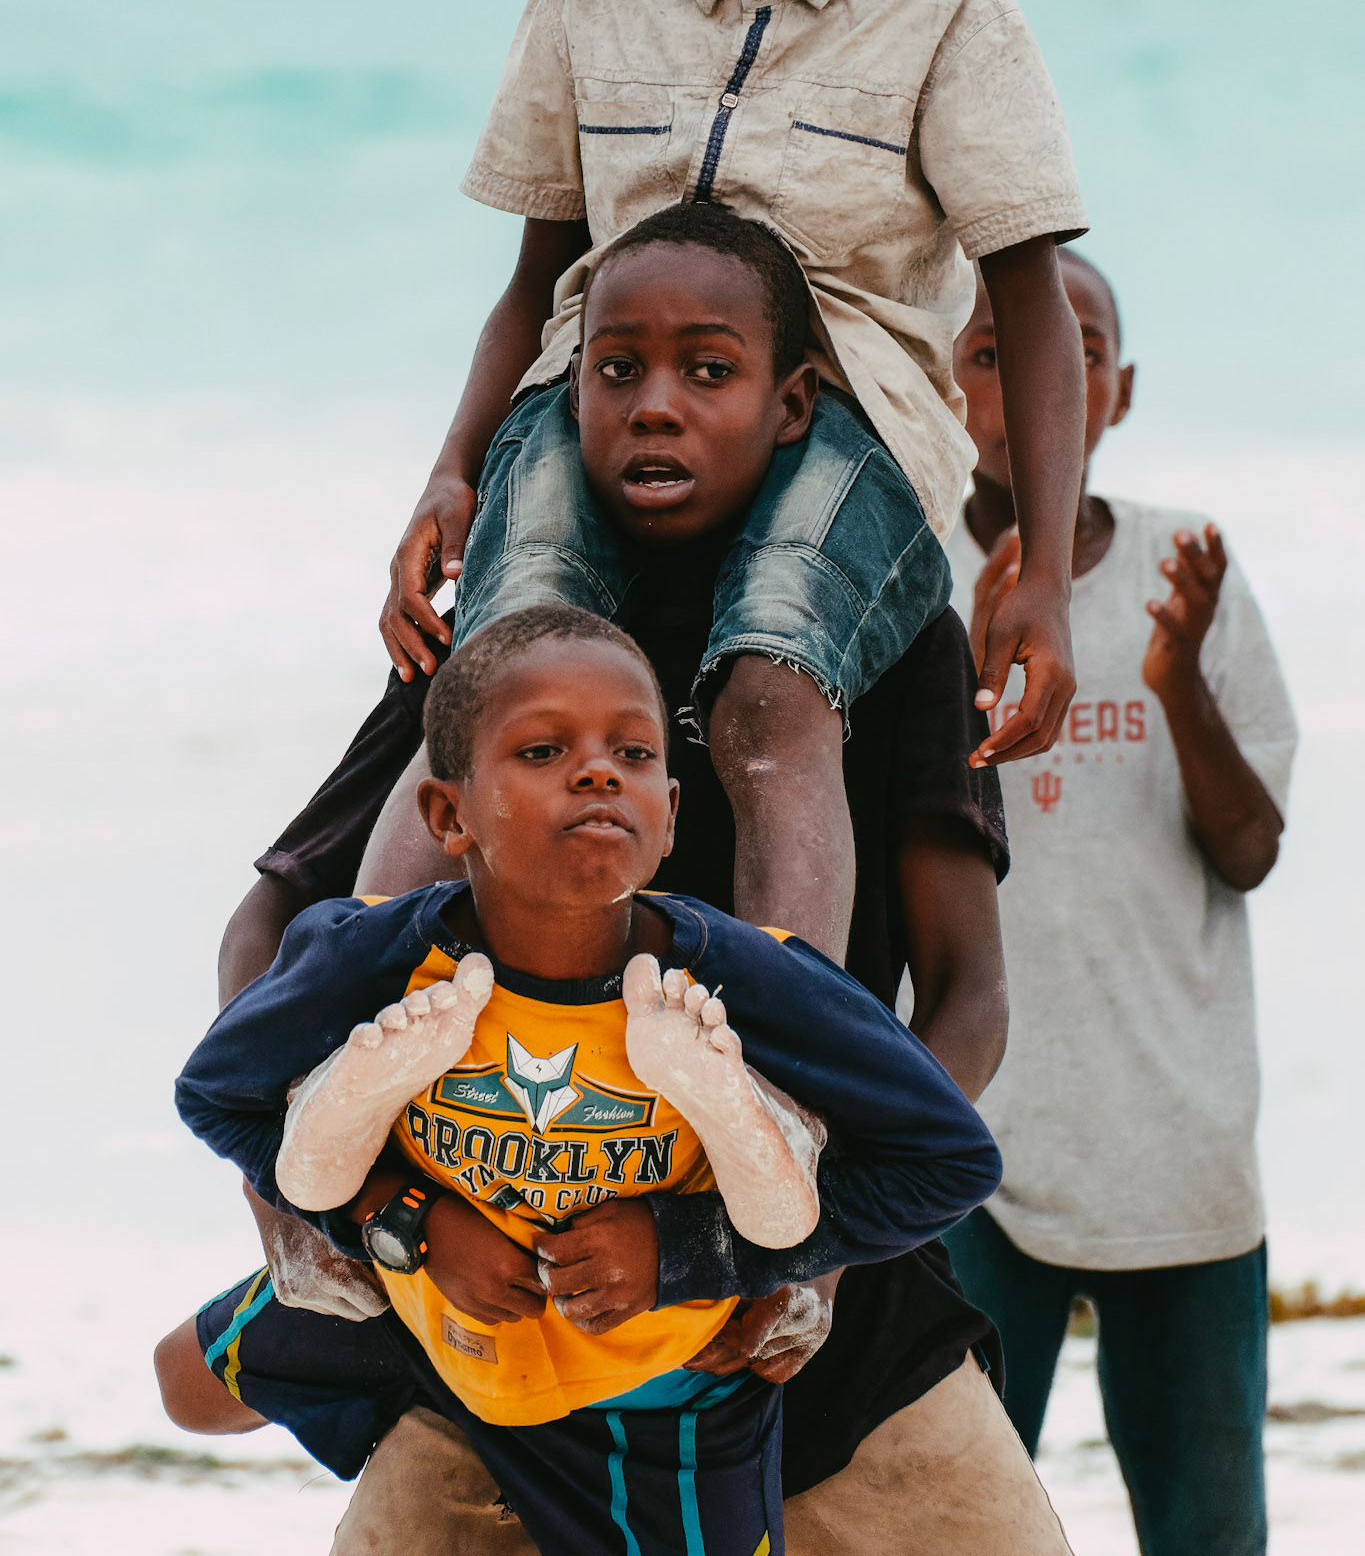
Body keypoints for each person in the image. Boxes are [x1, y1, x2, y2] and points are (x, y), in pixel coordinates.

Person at [184, 205, 1075, 1553]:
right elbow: (272, 929)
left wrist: (773, 1244)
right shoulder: (487, 641)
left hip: (815, 1319)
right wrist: (379, 1214)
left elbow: (969, 999)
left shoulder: (883, 632)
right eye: (616, 372)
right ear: (568, 388)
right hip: (511, 1306)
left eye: (706, 372)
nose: (656, 409)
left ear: (793, 409)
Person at [376, 0, 1090, 956]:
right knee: (498, 676)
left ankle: (770, 1029)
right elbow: (537, 277)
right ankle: (368, 995)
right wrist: (451, 466)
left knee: (770, 692)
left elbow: (1029, 302)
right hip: (593, 401)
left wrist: (1037, 571)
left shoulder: (951, 11)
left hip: (848, 419)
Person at [168, 606, 1003, 1556]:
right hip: (433, 1302)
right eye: (541, 751)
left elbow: (947, 1162)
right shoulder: (372, 959)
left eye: (634, 753)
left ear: (671, 813)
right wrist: (401, 1222)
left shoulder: (746, 981)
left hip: (661, 1394)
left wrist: (688, 1252)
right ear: (449, 815)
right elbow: (216, 1094)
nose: (598, 770)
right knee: (182, 1388)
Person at [944, 250, 1298, 1556]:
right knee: (958, 1528)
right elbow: (879, 862)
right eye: (990, 350)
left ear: (1121, 389)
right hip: (974, 1154)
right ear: (943, 387)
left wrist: (1175, 681)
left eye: (1079, 345)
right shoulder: (905, 572)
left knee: (1209, 1532)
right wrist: (965, 677)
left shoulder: (1182, 571)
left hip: (1177, 1145)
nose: (1040, 370)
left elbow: (1250, 847)